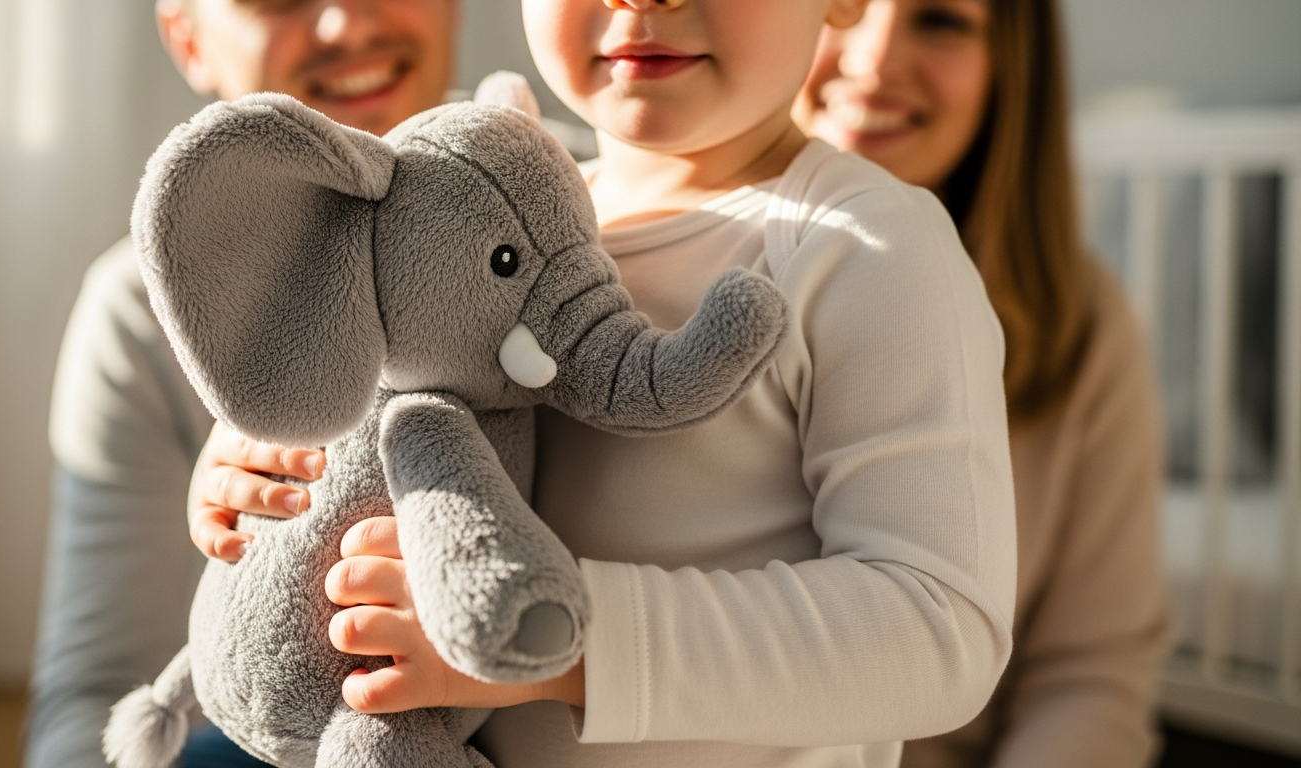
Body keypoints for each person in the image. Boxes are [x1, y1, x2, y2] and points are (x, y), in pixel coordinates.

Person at [188, 0, 1020, 765]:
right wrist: (262, 467)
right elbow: (392, 408)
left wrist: (563, 649)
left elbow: (938, 630)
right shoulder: (479, 210)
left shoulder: (868, 247)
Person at [25, 1, 457, 766]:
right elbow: (95, 696)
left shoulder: (620, 223)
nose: (345, 28)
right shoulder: (141, 313)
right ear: (190, 40)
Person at [793, 1, 1172, 766]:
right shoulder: (617, 283)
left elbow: (1090, 674)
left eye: (940, 19)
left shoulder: (1086, 324)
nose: (873, 60)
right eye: (844, 6)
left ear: (1010, 66)